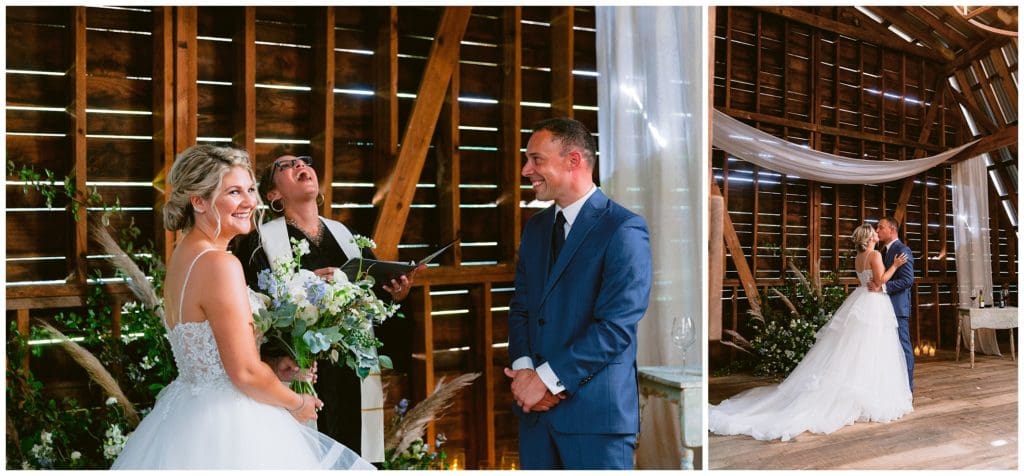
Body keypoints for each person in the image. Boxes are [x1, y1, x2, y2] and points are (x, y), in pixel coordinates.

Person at [112, 144, 373, 469]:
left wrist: (275, 369)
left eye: (250, 189)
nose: (250, 201)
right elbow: (245, 373)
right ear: (199, 201)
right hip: (232, 424)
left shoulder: (183, 257)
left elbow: (220, 355)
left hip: (188, 414)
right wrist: (297, 403)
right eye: (234, 191)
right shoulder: (220, 264)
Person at [229, 146, 419, 465]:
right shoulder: (258, 244)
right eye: (287, 166)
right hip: (301, 369)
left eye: (305, 162)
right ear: (274, 194)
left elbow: (375, 302)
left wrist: (396, 295)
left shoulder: (348, 237)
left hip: (350, 378)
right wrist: (307, 287)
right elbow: (250, 310)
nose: (301, 166)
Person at [503, 118, 653, 469]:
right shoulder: (536, 229)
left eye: (536, 159)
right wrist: (526, 375)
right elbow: (521, 307)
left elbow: (615, 327)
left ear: (573, 160)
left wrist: (545, 380)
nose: (526, 170)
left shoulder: (624, 229)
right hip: (535, 419)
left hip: (596, 421)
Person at [709, 223, 913, 442]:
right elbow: (881, 280)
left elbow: (869, 280)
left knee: (855, 349)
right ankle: (870, 394)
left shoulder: (859, 257)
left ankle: (867, 393)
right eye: (875, 230)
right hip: (873, 303)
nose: (877, 232)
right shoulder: (875, 255)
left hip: (862, 298)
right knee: (872, 348)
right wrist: (895, 265)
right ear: (870, 237)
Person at [870, 216, 915, 391]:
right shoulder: (882, 251)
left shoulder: (903, 250)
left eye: (881, 227)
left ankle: (908, 390)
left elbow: (907, 280)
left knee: (904, 349)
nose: (877, 230)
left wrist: (882, 287)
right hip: (883, 308)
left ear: (892, 230)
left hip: (897, 308)